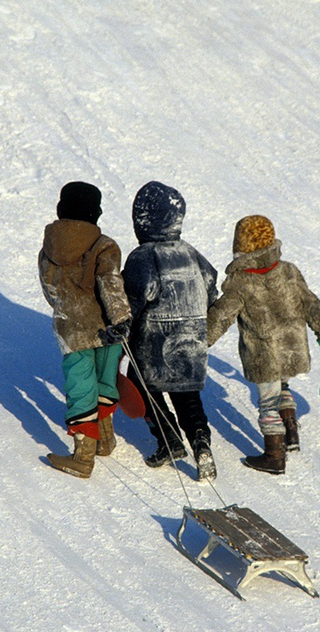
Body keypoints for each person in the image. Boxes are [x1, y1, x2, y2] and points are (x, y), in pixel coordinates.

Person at [206, 215, 320, 475]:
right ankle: (291, 434)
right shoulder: (288, 271)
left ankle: (274, 456)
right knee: (284, 384)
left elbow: (222, 315)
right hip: (292, 348)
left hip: (264, 355)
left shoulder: (241, 282)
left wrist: (202, 338)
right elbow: (310, 303)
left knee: (268, 403)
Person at [122, 181, 219, 480]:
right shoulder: (192, 253)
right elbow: (211, 286)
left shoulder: (143, 257)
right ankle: (201, 444)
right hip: (191, 339)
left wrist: (124, 328)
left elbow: (135, 299)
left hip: (154, 340)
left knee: (141, 384)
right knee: (188, 396)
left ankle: (169, 440)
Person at [38, 181, 132, 478]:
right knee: (105, 381)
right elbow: (111, 283)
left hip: (72, 329)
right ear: (96, 212)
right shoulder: (103, 245)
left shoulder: (48, 250)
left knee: (81, 388)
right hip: (107, 329)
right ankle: (95, 448)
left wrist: (67, 310)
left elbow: (50, 289)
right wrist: (121, 318)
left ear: (61, 209)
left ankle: (88, 447)